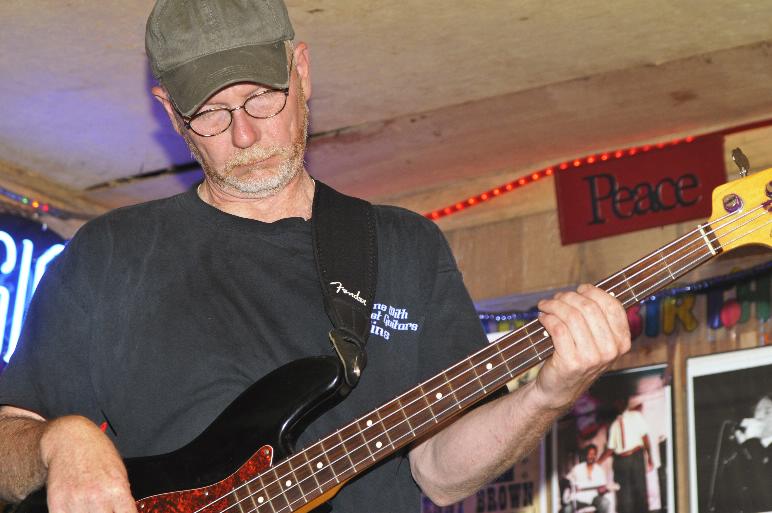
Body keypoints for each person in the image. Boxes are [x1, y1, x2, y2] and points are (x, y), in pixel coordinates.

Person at [0, 1, 631, 512]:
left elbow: (441, 474)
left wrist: (549, 394)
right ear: (170, 111)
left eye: (261, 98)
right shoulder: (109, 256)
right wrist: (60, 441)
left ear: (301, 70)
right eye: (210, 113)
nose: (244, 133)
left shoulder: (402, 247)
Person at [711, 394, 772, 512]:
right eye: (758, 410)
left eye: (768, 411)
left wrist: (751, 442)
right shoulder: (742, 450)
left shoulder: (751, 446)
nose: (761, 416)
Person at [600, 395, 653, 513]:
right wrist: (598, 462)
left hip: (636, 457)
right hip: (621, 461)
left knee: (640, 490)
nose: (618, 405)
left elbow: (645, 437)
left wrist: (650, 457)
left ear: (625, 403)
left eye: (620, 402)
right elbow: (610, 448)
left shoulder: (636, 416)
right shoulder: (614, 425)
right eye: (616, 403)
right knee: (624, 496)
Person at [562, 445, 611, 513]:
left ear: (596, 456)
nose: (591, 456)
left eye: (593, 454)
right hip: (578, 498)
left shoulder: (599, 470)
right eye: (589, 454)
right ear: (586, 455)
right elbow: (566, 480)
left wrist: (603, 490)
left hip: (593, 498)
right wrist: (572, 486)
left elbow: (602, 488)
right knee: (567, 509)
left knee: (605, 503)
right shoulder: (577, 468)